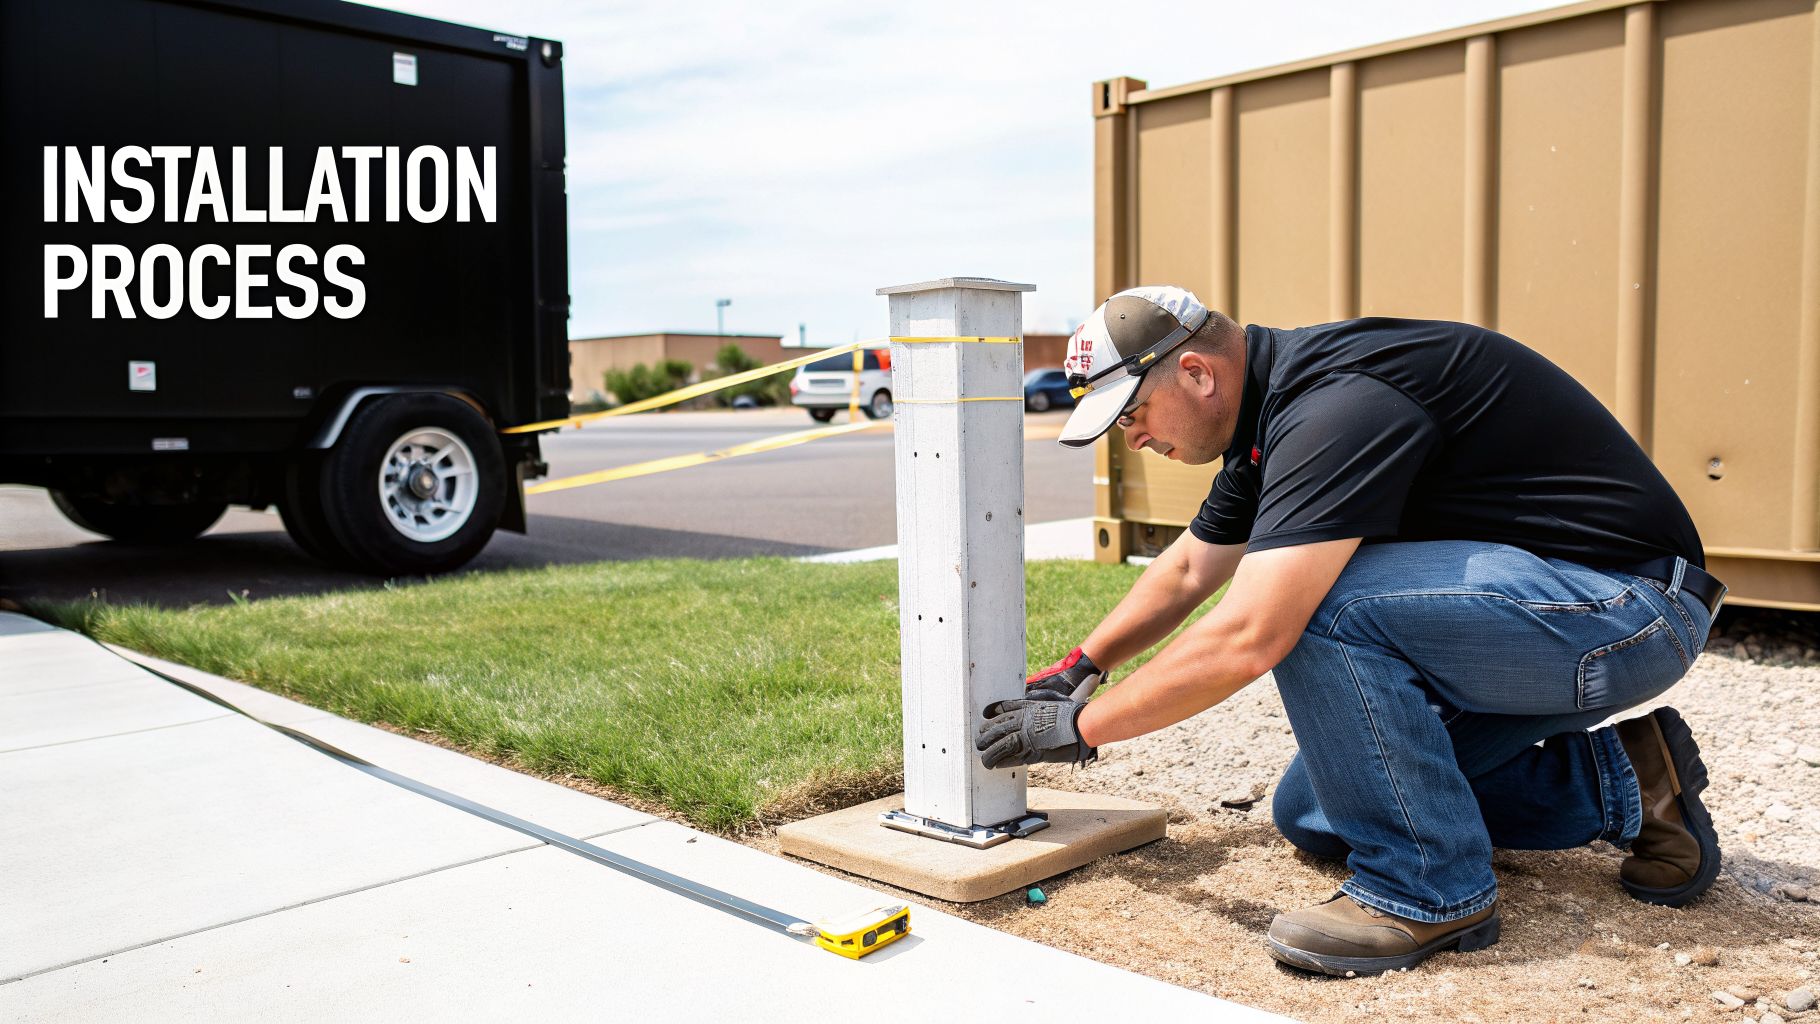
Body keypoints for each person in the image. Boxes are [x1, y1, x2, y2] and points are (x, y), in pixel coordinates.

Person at [974, 286, 1726, 977]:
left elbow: (1252, 634)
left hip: (1625, 613)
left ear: (1198, 374)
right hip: (1549, 621)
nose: (1131, 441)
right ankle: (1630, 780)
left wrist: (1084, 726)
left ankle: (1428, 889)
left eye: (1131, 415)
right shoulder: (1269, 424)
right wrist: (1081, 666)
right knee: (1316, 811)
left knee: (1319, 605)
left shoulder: (1339, 404)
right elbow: (1189, 572)